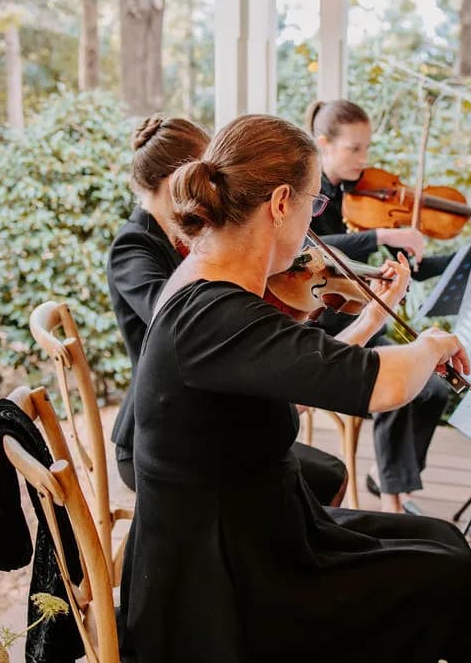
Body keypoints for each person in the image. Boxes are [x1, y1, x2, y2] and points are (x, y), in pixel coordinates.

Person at [117, 113, 471, 662]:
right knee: (447, 574)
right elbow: (382, 386)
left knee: (444, 542)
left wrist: (367, 321)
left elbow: (296, 375)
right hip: (221, 585)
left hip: (260, 530)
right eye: (314, 203)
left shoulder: (211, 282)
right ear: (279, 204)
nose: (314, 223)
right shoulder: (217, 314)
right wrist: (432, 345)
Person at [106, 114, 348, 507]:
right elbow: (178, 318)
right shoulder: (134, 246)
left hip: (213, 412)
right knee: (313, 478)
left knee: (321, 471)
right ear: (179, 180)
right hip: (158, 435)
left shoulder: (191, 239)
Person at [305, 99, 471, 513]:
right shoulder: (308, 195)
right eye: (354, 149)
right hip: (328, 330)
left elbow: (416, 269)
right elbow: (310, 245)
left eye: (367, 148)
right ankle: (393, 501)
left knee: (434, 388)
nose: (364, 159)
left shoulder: (363, 196)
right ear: (324, 145)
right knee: (396, 381)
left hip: (368, 321)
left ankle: (389, 477)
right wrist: (381, 236)